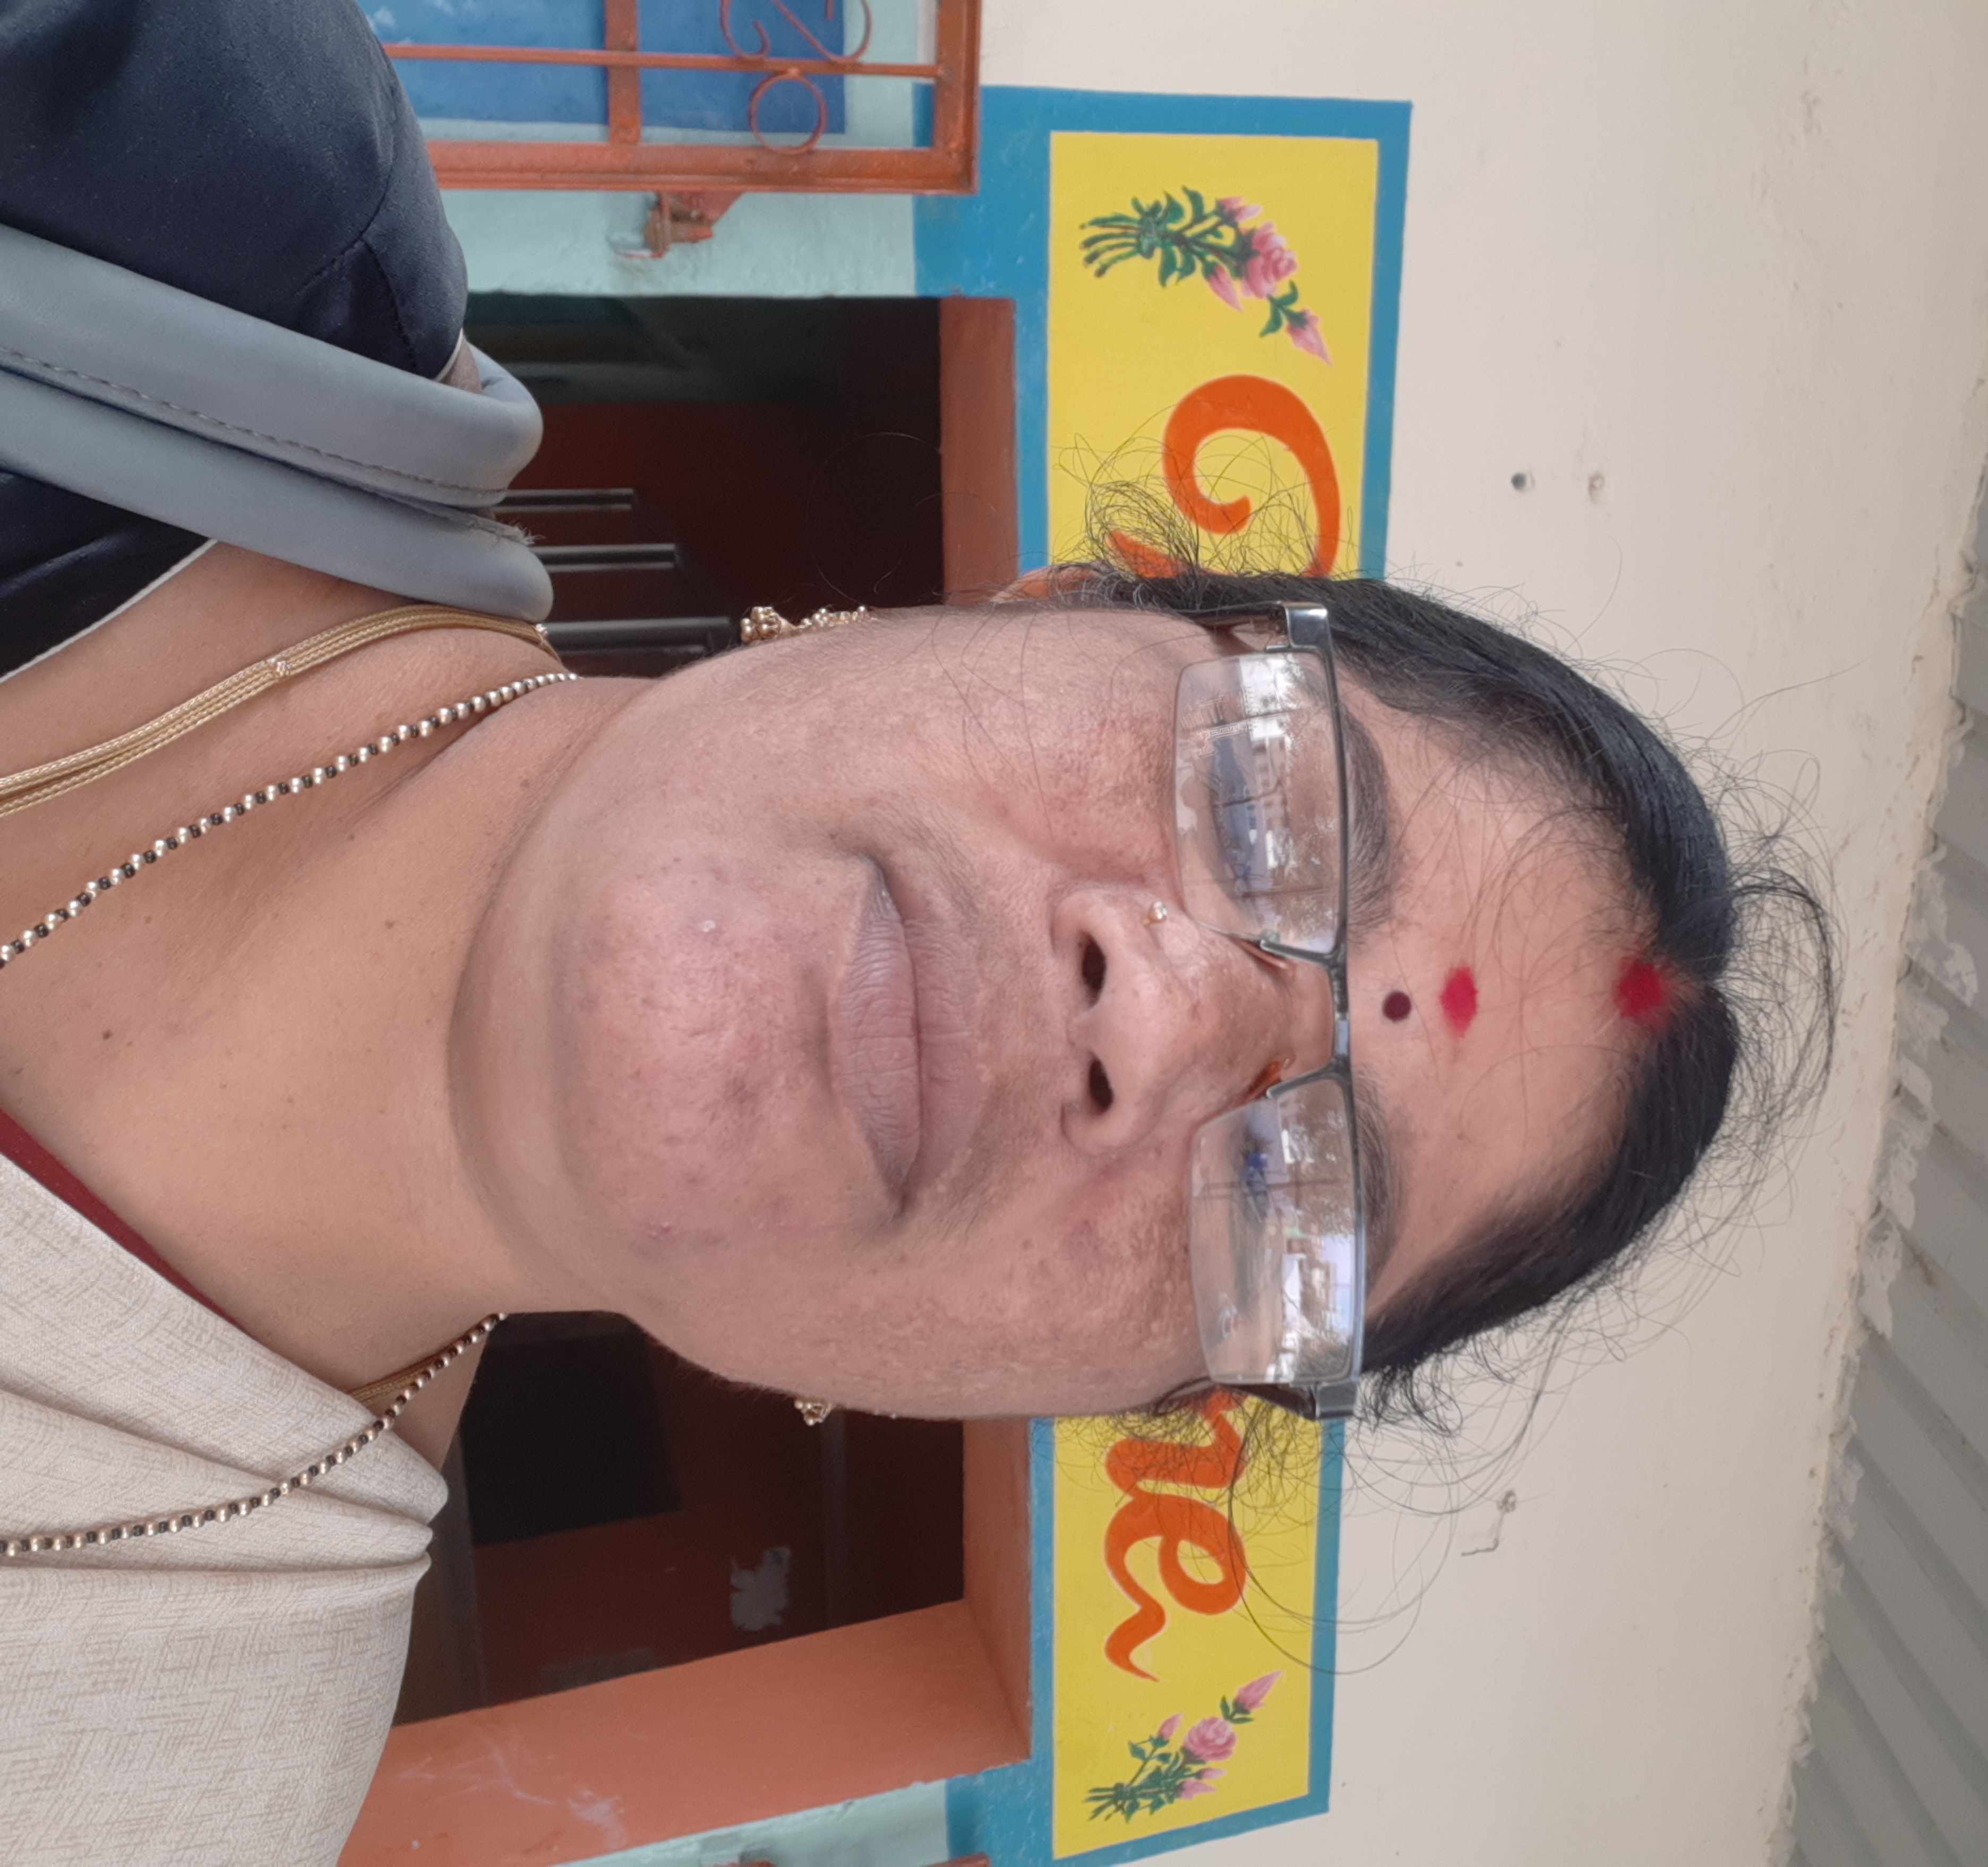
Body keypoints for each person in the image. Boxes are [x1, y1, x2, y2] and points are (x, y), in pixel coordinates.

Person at [0, 1, 1827, 1859]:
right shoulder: (185, 180)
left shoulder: (160, 1792)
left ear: (1091, 1402)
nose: (1167, 1017)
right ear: (1046, 602)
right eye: (1275, 800)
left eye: (1302, 1205)